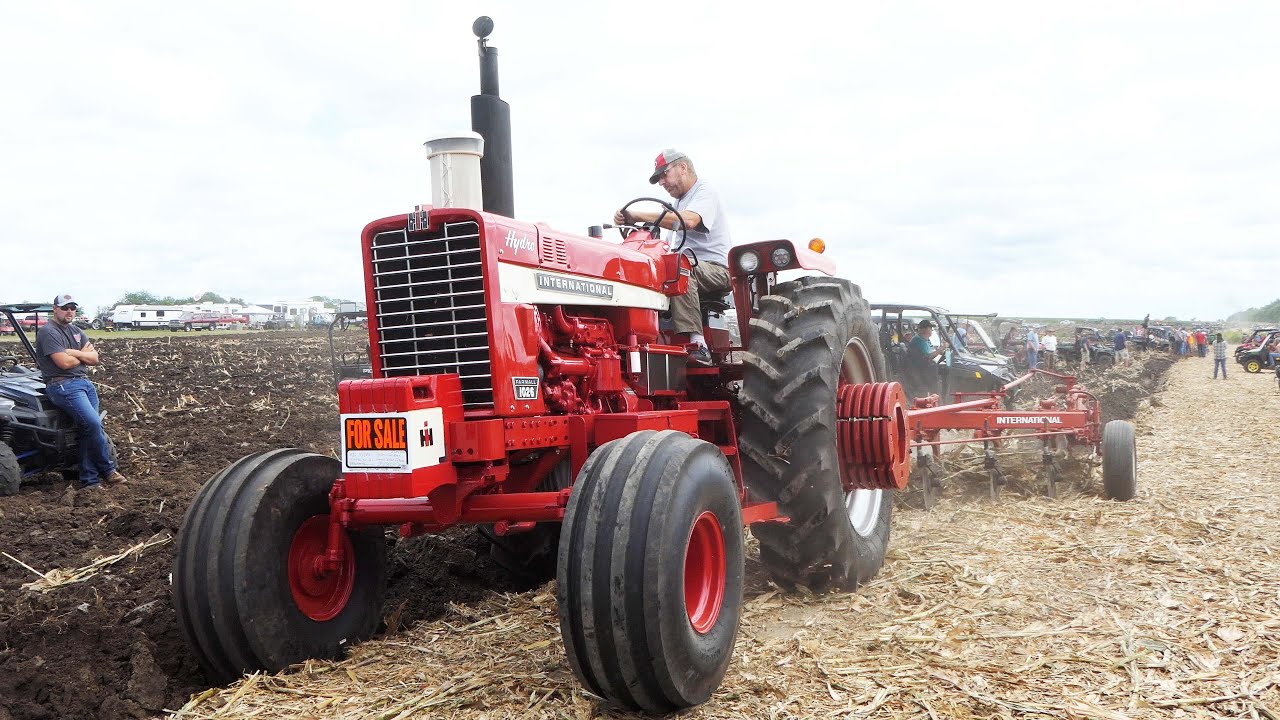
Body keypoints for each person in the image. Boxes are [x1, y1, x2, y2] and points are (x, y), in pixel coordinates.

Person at [615, 149, 731, 367]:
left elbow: (688, 221)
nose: (662, 183)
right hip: (688, 264)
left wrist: (638, 215)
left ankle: (698, 345)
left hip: (717, 269)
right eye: (659, 179)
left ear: (683, 168)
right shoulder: (677, 203)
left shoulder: (704, 192)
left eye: (664, 175)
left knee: (679, 268)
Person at [35, 294, 126, 490]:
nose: (69, 311)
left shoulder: (76, 331)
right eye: (65, 307)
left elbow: (94, 358)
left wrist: (74, 353)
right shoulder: (48, 332)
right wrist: (83, 356)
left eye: (72, 308)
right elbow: (63, 363)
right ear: (55, 309)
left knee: (87, 429)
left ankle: (90, 481)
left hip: (84, 383)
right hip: (63, 385)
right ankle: (108, 469)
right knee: (93, 424)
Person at [906, 319, 945, 395]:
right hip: (921, 369)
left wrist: (939, 350)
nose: (931, 330)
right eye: (930, 328)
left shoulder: (924, 340)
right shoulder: (919, 340)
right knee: (942, 370)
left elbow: (930, 351)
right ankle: (935, 393)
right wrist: (941, 349)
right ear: (923, 329)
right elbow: (929, 356)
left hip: (922, 365)